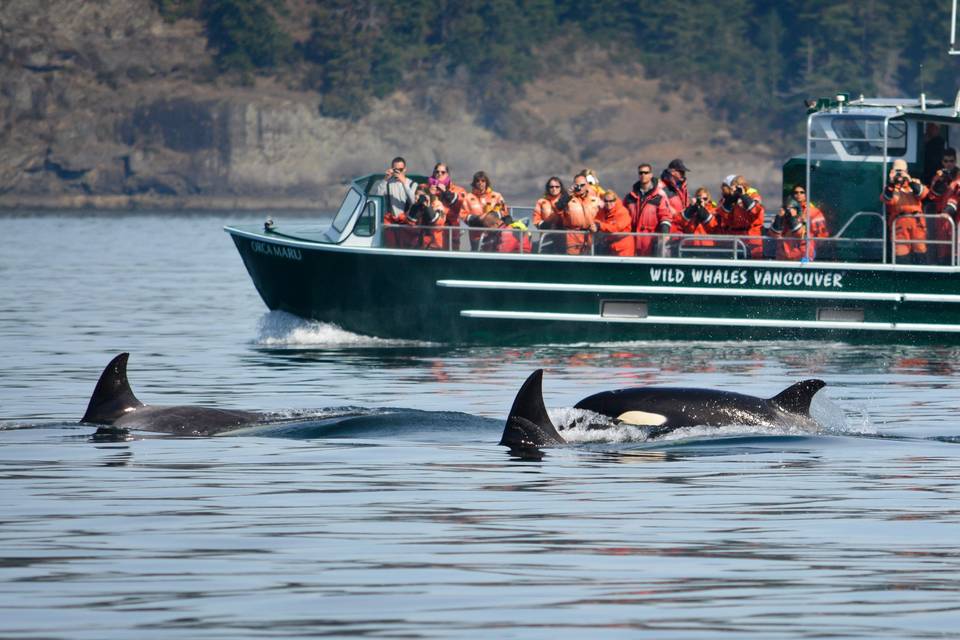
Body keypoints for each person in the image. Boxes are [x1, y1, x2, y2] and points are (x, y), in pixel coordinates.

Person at [881, 158, 928, 262]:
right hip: (899, 226)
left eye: (901, 171)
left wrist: (909, 181)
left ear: (906, 171)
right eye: (897, 171)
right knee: (901, 256)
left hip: (917, 224)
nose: (900, 174)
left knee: (920, 254)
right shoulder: (890, 188)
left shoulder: (914, 183)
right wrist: (892, 183)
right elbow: (886, 199)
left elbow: (923, 194)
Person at [624, 163, 672, 256]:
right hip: (632, 240)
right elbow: (623, 216)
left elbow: (665, 217)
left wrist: (664, 234)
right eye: (641, 173)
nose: (643, 175)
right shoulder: (630, 197)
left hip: (651, 240)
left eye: (646, 173)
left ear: (651, 175)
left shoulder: (659, 196)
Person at [373, 156, 418, 248]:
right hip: (391, 223)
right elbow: (377, 196)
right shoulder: (388, 183)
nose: (397, 172)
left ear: (405, 169)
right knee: (391, 247)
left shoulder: (412, 184)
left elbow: (413, 201)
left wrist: (404, 183)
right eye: (395, 169)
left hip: (407, 223)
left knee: (407, 247)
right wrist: (385, 179)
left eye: (400, 169)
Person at [717, 174, 765, 259]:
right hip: (735, 239)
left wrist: (743, 196)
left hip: (751, 240)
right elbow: (725, 216)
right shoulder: (730, 199)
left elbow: (755, 212)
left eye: (736, 187)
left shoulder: (753, 196)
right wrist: (731, 199)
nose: (734, 190)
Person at [926, 148, 960, 263]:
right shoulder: (938, 177)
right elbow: (932, 196)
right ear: (942, 162)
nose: (949, 164)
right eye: (946, 161)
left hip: (957, 218)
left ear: (955, 161)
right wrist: (941, 183)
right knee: (942, 250)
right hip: (942, 219)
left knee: (957, 248)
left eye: (951, 161)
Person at [559, 171, 601, 255]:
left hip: (591, 239)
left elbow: (604, 217)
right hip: (573, 240)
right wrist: (567, 195)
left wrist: (598, 225)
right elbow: (558, 209)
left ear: (587, 185)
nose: (580, 188)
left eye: (582, 185)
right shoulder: (567, 199)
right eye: (577, 185)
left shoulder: (596, 200)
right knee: (573, 265)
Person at [463, 171, 508, 250]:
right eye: (477, 181)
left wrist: (490, 216)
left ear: (486, 182)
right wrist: (478, 219)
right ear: (474, 183)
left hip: (495, 235)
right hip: (476, 235)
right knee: (476, 258)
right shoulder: (468, 197)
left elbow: (505, 212)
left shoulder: (497, 196)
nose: (480, 183)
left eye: (483, 181)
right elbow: (463, 215)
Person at [427, 162, 465, 250]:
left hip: (450, 235)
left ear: (447, 174)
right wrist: (431, 195)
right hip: (431, 236)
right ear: (433, 173)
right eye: (437, 172)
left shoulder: (458, 190)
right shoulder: (425, 187)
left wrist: (446, 193)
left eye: (443, 172)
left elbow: (460, 207)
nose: (439, 174)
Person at [590, 190, 635, 256]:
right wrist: (594, 226)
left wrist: (600, 226)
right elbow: (596, 220)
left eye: (611, 201)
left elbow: (616, 228)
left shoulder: (622, 212)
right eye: (606, 201)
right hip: (610, 246)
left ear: (615, 200)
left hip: (624, 247)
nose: (608, 203)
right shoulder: (603, 211)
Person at [533, 177, 567, 254]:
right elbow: (536, 220)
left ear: (561, 188)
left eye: (557, 186)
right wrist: (546, 225)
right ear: (548, 188)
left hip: (563, 235)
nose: (554, 189)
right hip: (546, 234)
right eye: (551, 187)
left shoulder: (566, 200)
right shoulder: (541, 202)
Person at [660, 158, 691, 229]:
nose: (684, 174)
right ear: (672, 172)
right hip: (671, 230)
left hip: (682, 229)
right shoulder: (662, 187)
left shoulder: (682, 188)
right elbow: (665, 210)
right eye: (681, 172)